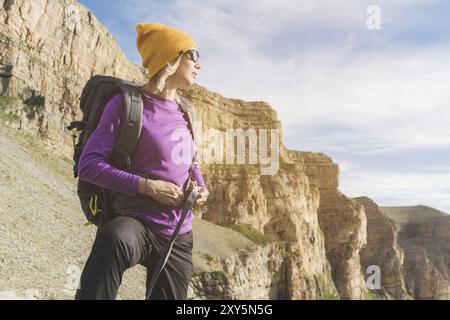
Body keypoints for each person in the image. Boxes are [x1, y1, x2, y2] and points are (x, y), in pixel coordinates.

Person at [74, 23, 209, 300]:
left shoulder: (186, 112)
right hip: (136, 222)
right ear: (171, 57)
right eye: (193, 55)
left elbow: (190, 162)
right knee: (113, 239)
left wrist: (200, 187)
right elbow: (89, 165)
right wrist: (148, 187)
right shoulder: (127, 105)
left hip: (178, 234)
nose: (199, 64)